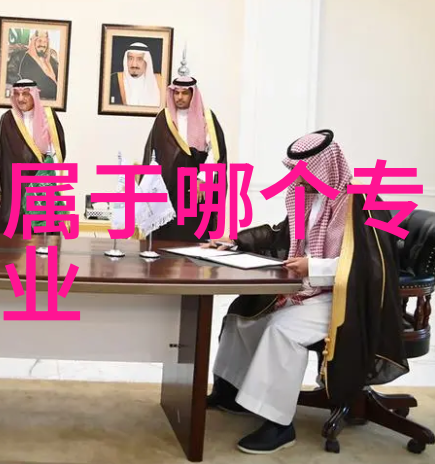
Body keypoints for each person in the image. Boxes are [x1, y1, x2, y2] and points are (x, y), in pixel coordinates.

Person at [204, 130, 407, 454]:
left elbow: (367, 266)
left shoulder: (361, 202)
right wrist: (237, 240)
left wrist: (314, 267)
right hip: (309, 290)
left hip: (344, 298)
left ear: (325, 168)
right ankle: (231, 393)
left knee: (281, 330)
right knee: (241, 315)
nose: (297, 179)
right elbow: (280, 234)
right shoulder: (307, 196)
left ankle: (279, 425)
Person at [142, 53, 228, 242]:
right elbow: (152, 154)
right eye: (176, 93)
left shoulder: (207, 118)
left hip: (195, 187)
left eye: (185, 93)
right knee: (165, 237)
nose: (180, 97)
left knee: (192, 235)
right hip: (167, 187)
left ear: (193, 94)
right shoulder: (163, 118)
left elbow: (215, 153)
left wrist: (202, 179)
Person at [0, 79, 66, 236]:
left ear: (34, 95)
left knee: (41, 232)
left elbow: (58, 151)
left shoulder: (48, 117)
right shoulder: (7, 119)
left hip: (40, 182)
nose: (20, 99)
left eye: (26, 94)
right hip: (13, 185)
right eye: (17, 94)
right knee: (14, 231)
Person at [7, 30, 59, 100]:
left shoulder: (51, 61)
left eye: (45, 42)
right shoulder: (21, 56)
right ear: (33, 41)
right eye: (39, 41)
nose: (42, 44)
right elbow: (10, 74)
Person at [109, 42, 163, 107]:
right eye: (130, 58)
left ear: (147, 62)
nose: (134, 64)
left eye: (140, 59)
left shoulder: (160, 82)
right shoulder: (113, 80)